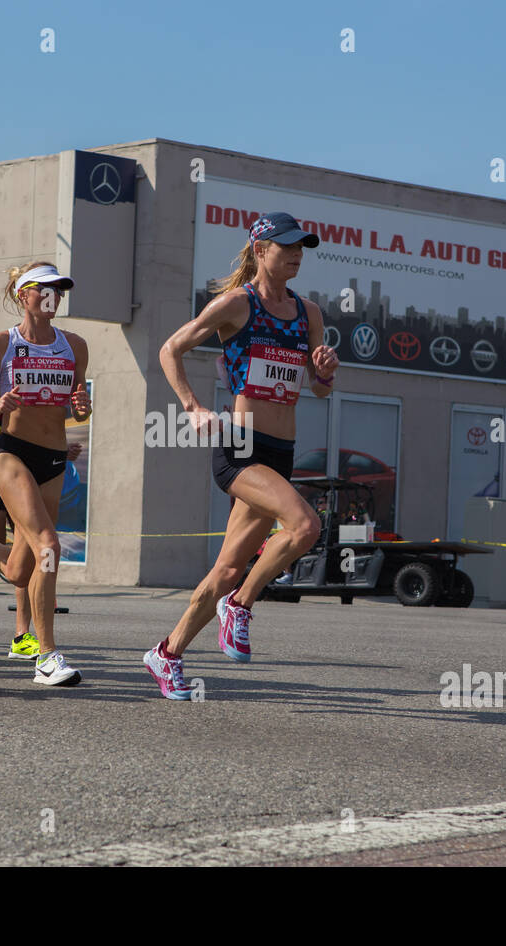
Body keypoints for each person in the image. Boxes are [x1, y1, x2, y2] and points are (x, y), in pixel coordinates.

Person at [146, 213, 337, 700]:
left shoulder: (309, 312)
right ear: (260, 249)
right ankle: (242, 605)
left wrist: (325, 371)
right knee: (305, 526)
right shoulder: (236, 304)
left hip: (282, 451)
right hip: (242, 446)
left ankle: (166, 654)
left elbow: (318, 392)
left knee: (227, 568)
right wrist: (192, 407)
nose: (297, 254)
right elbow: (171, 349)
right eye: (286, 245)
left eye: (302, 247)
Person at [0, 261, 89, 686]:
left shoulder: (75, 345)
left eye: (60, 289)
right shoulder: (3, 342)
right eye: (45, 288)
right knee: (50, 544)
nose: (54, 295)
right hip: (10, 454)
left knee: (18, 570)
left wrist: (82, 407)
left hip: (53, 460)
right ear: (23, 295)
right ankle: (47, 655)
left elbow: (77, 403)